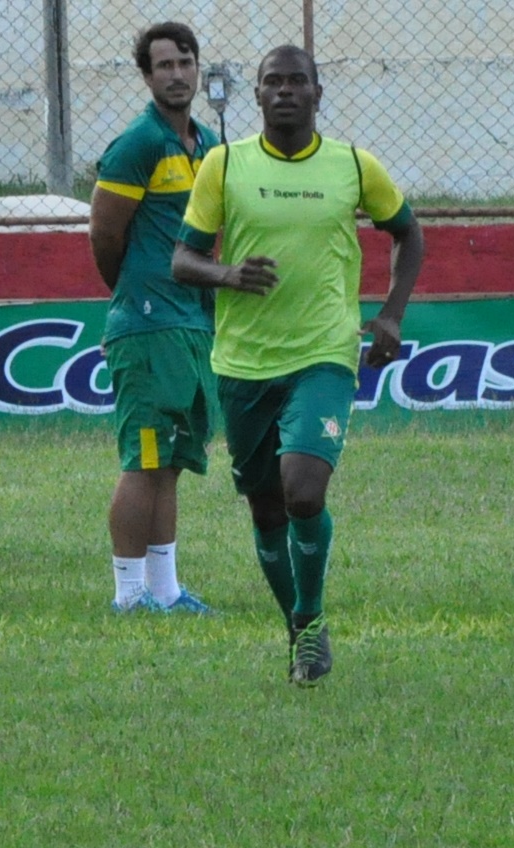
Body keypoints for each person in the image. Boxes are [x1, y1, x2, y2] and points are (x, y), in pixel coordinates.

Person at [172, 44, 424, 685]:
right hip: (243, 363)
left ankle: (309, 622)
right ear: (255, 95)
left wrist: (390, 315)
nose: (284, 91)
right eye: (272, 82)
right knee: (265, 512)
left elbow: (409, 233)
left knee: (303, 493)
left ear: (317, 92)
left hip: (324, 354)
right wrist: (227, 272)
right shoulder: (224, 166)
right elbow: (182, 260)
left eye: (297, 81)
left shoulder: (352, 165)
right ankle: (300, 627)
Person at [89, 21, 222, 614]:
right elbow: (105, 234)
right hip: (146, 325)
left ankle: (166, 592)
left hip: (192, 323)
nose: (176, 74)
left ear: (198, 69)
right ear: (146, 76)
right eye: (163, 65)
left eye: (185, 62)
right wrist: (134, 295)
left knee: (169, 463)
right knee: (143, 458)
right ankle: (127, 595)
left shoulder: (211, 146)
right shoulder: (137, 145)